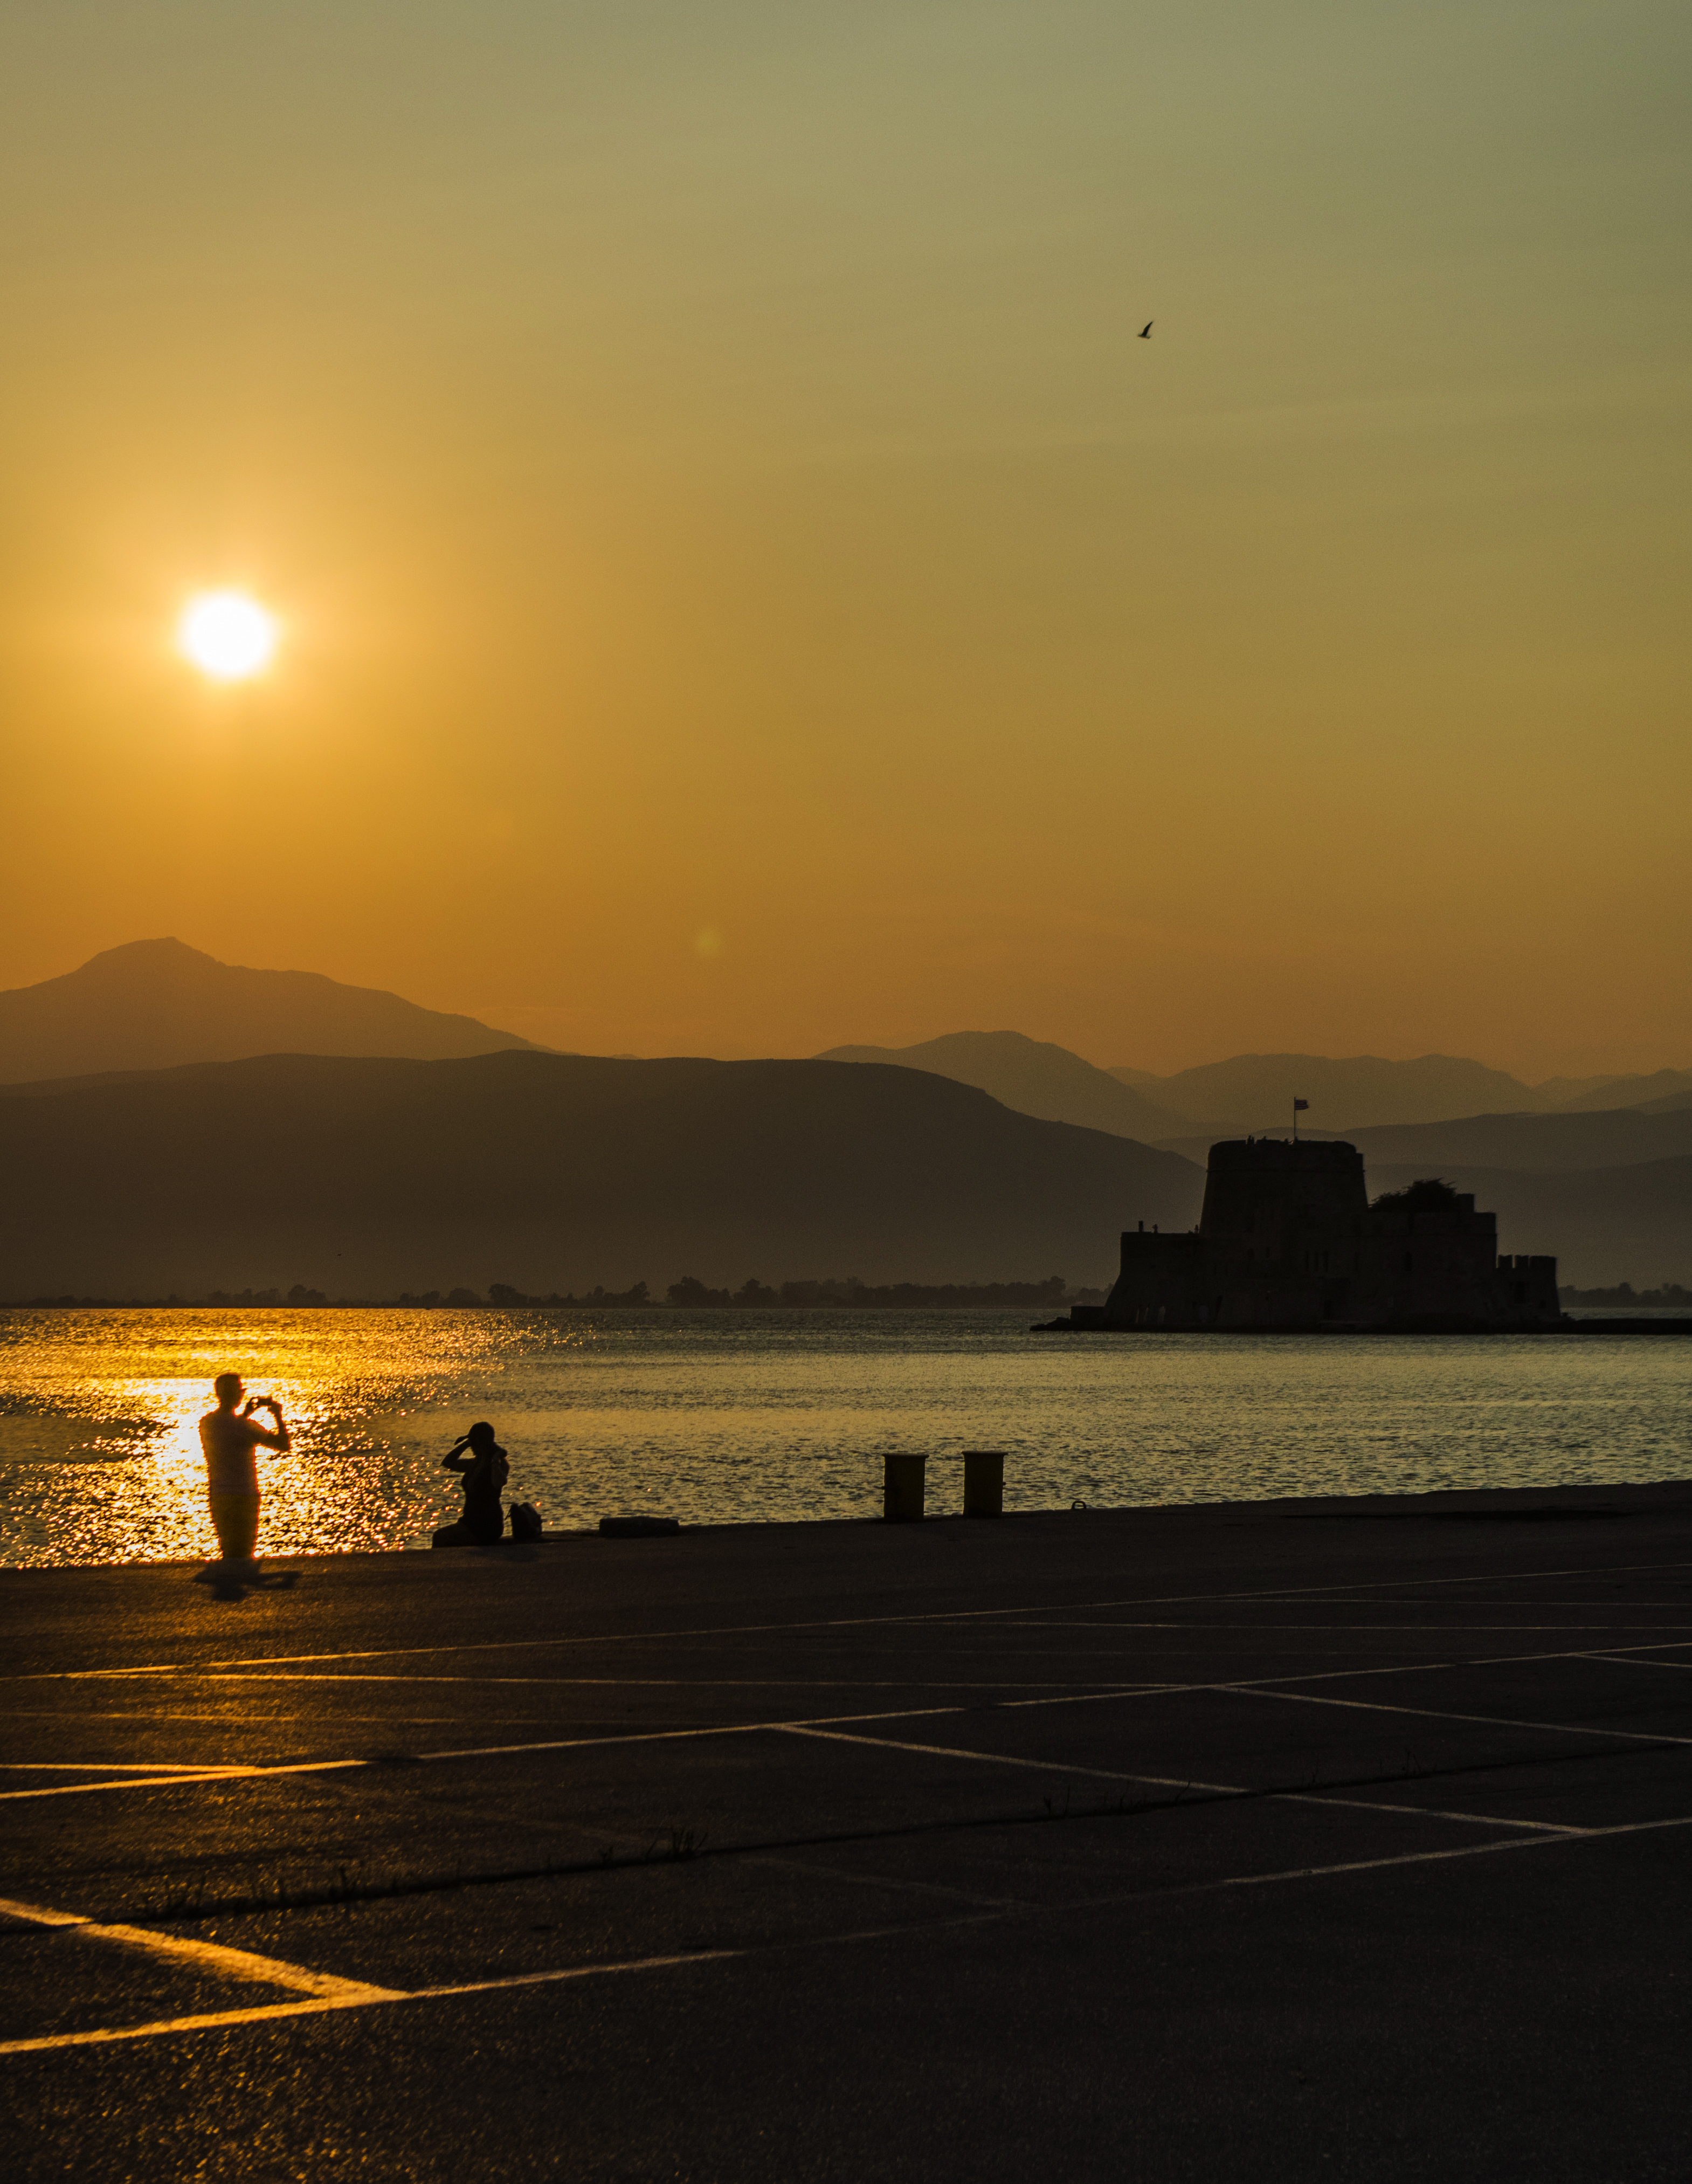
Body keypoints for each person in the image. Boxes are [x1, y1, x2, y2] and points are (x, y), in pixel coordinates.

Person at [197, 1374, 292, 1568]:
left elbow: (229, 1429)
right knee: (244, 1554)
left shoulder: (206, 1423)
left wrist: (245, 1415)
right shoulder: (247, 1427)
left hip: (219, 1493)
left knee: (229, 1551)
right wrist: (278, 1415)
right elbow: (284, 1445)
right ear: (238, 1396)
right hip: (245, 1494)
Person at [440, 1421, 509, 1545]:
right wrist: (466, 1443)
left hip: (487, 1524)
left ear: (481, 1443)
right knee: (445, 1538)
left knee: (440, 1537)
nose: (472, 1447)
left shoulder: (497, 1465)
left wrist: (495, 1459)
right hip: (469, 1521)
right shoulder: (474, 1464)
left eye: (474, 1442)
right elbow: (448, 1462)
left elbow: (499, 1482)